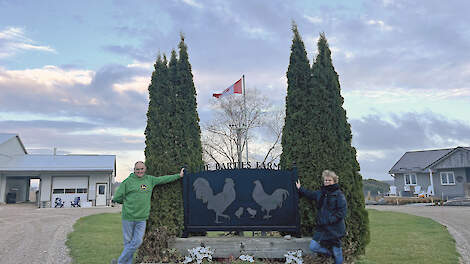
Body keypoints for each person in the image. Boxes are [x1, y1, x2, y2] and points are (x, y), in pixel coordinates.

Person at [111, 161, 184, 264]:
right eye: (137, 169)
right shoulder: (127, 182)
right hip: (128, 217)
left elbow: (163, 179)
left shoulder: (150, 180)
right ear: (134, 170)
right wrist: (127, 202)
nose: (139, 171)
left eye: (141, 169)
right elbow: (117, 197)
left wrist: (179, 175)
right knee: (128, 243)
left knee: (137, 242)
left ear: (145, 169)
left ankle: (119, 262)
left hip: (141, 219)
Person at [296, 170, 347, 264]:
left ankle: (335, 256)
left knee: (338, 253)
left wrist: (329, 220)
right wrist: (300, 189)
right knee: (313, 247)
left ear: (334, 181)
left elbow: (342, 212)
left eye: (329, 180)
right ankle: (330, 254)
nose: (327, 182)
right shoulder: (321, 193)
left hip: (335, 229)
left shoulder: (339, 195)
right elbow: (310, 194)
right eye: (325, 180)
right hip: (322, 228)